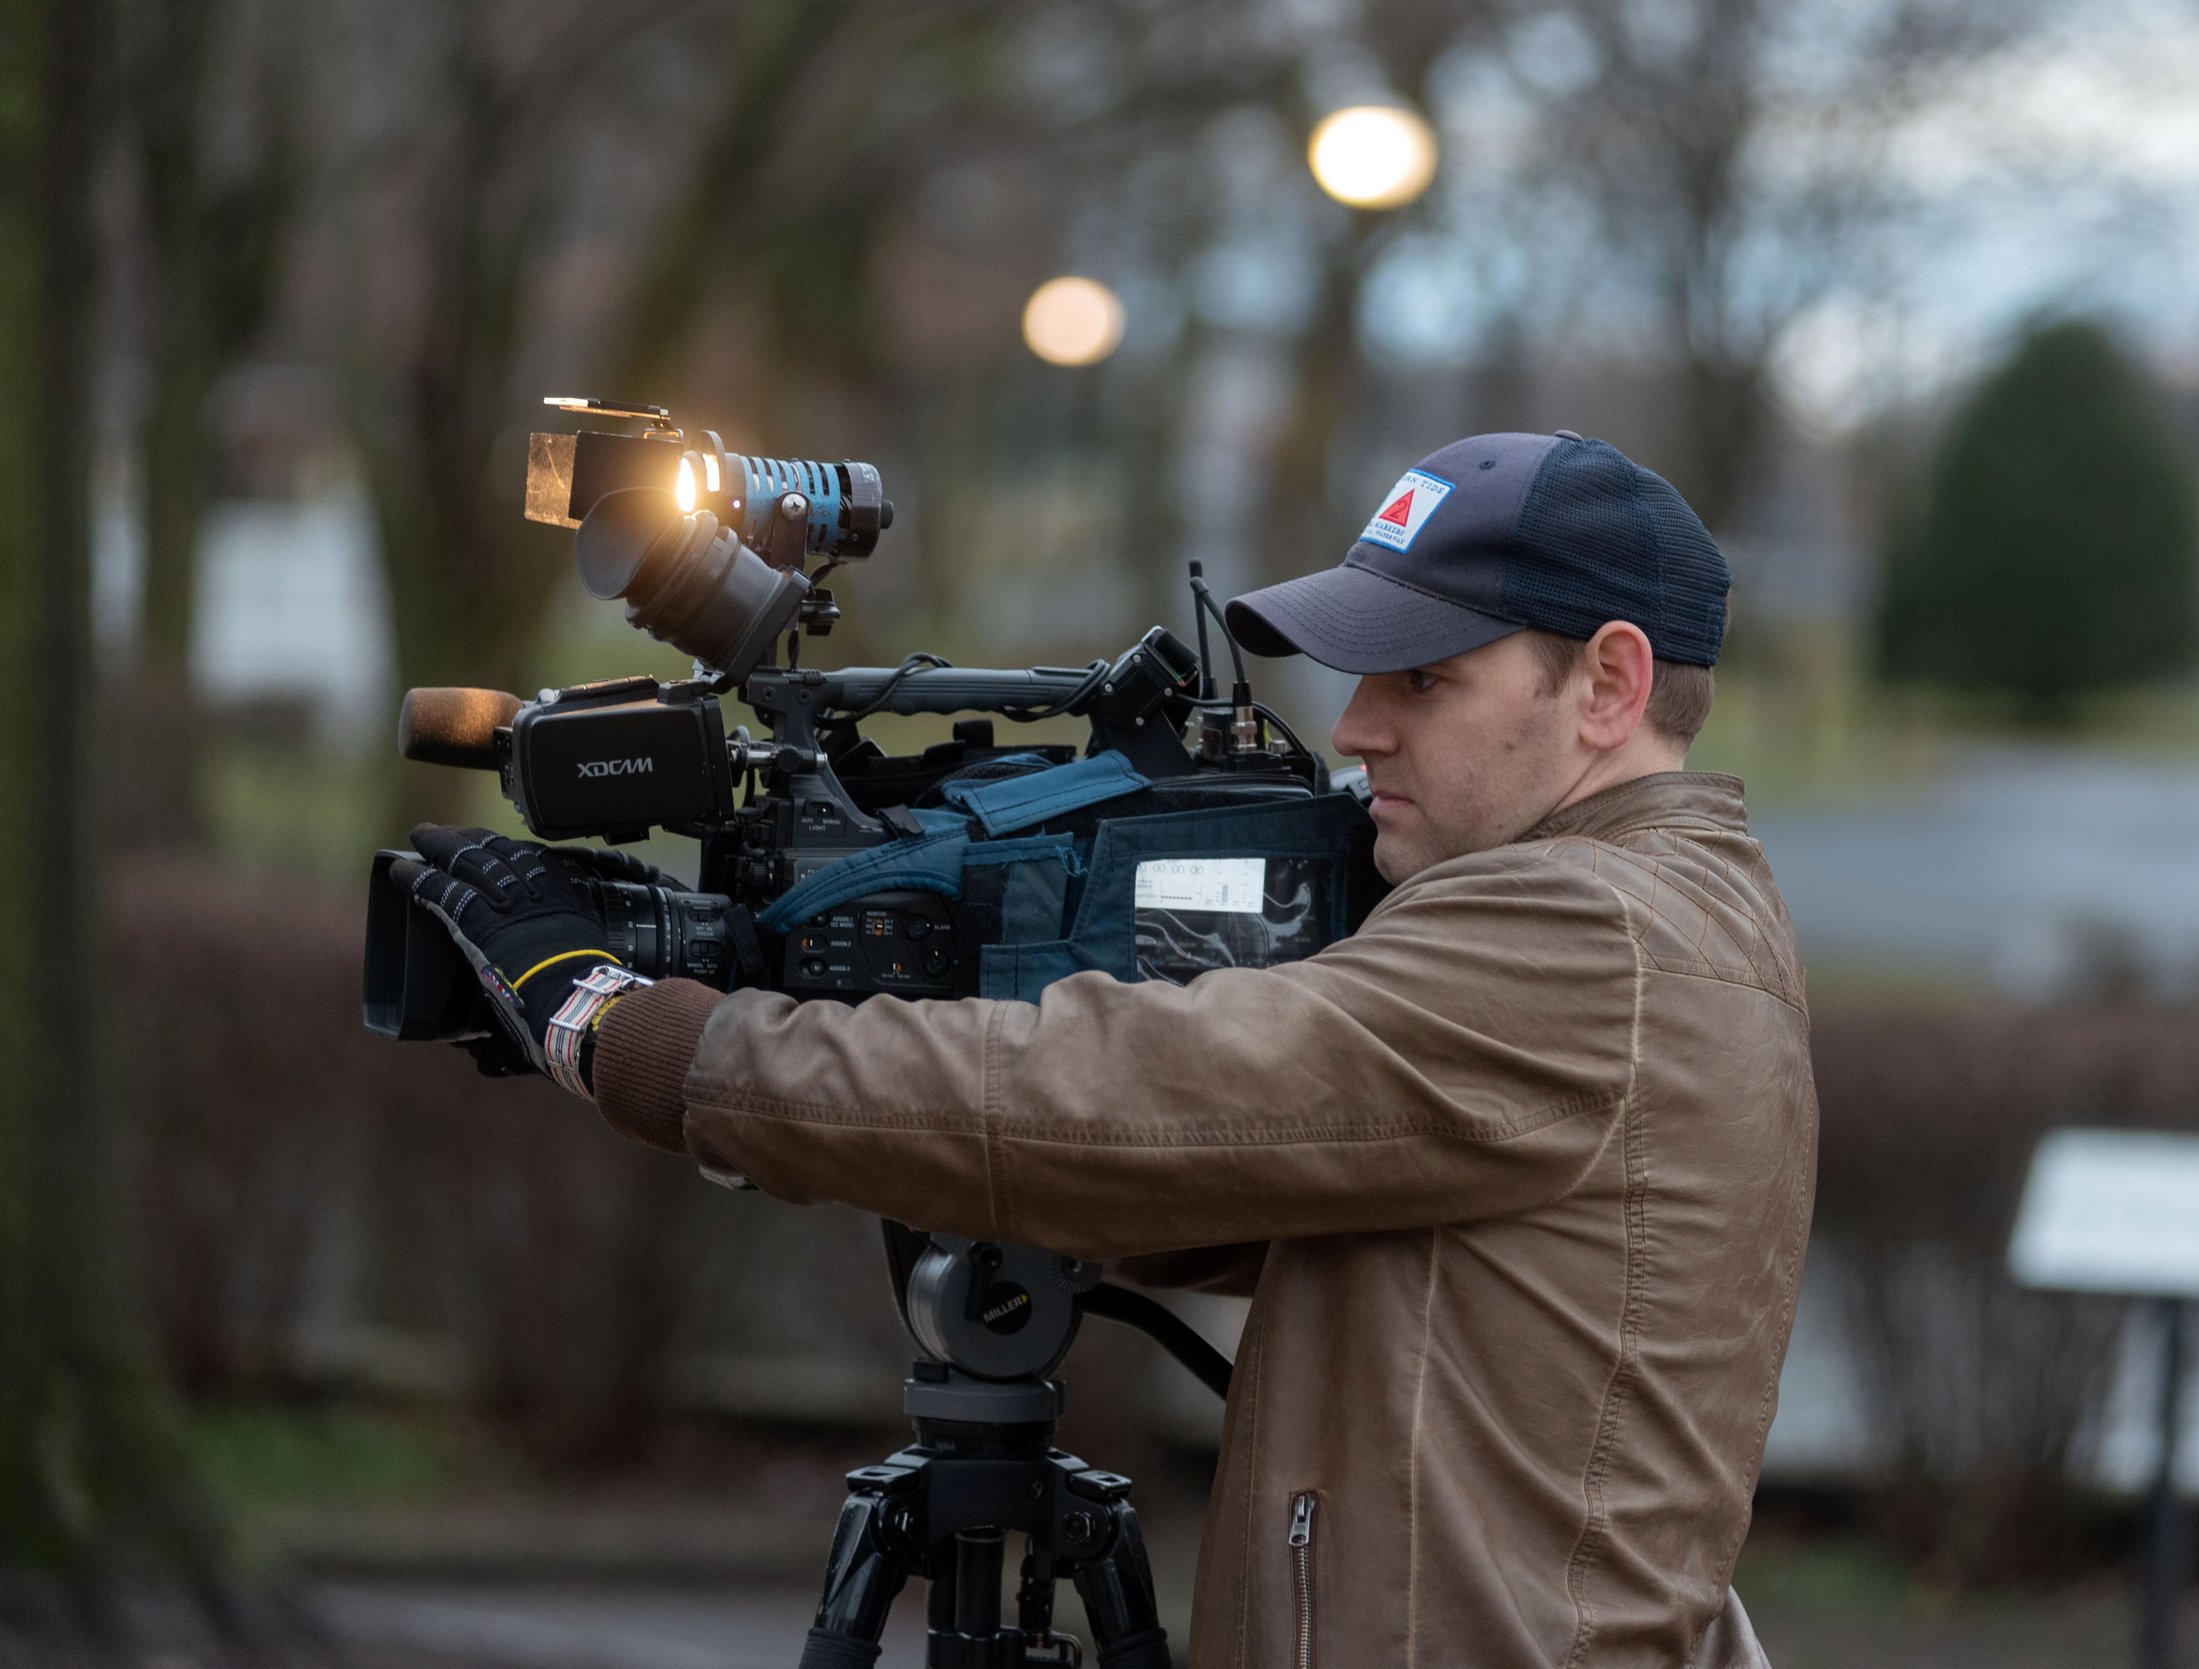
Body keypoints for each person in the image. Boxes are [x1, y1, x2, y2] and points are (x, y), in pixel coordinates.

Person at [394, 430, 1817, 1668]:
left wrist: (626, 1031)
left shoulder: (1589, 934)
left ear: (1610, 685)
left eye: (1423, 681)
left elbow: (1112, 1097)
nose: (1357, 726)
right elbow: (1224, 1183)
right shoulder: (1641, 919)